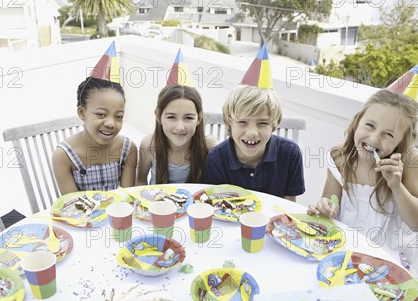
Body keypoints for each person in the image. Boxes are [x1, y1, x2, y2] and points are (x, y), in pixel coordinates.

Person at [307, 74, 418, 301]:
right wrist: (326, 207)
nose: (374, 137)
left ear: (401, 142)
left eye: (388, 134)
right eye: (369, 125)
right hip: (348, 258)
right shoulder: (340, 157)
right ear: (357, 121)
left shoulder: (410, 162)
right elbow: (331, 203)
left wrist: (397, 187)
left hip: (391, 264)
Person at [204, 45, 305, 200]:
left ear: (274, 123)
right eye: (243, 122)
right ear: (230, 122)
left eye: (262, 123)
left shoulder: (290, 155)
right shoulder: (216, 159)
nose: (252, 132)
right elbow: (216, 207)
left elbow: (289, 208)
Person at [52, 42, 137, 194]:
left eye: (119, 116)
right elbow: (73, 206)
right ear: (82, 113)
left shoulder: (128, 149)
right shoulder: (63, 156)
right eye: (101, 114)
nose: (111, 123)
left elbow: (128, 197)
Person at [136, 50, 217, 185]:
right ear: (158, 115)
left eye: (188, 118)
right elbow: (140, 181)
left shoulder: (208, 146)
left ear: (199, 117)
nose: (180, 126)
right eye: (171, 117)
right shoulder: (149, 144)